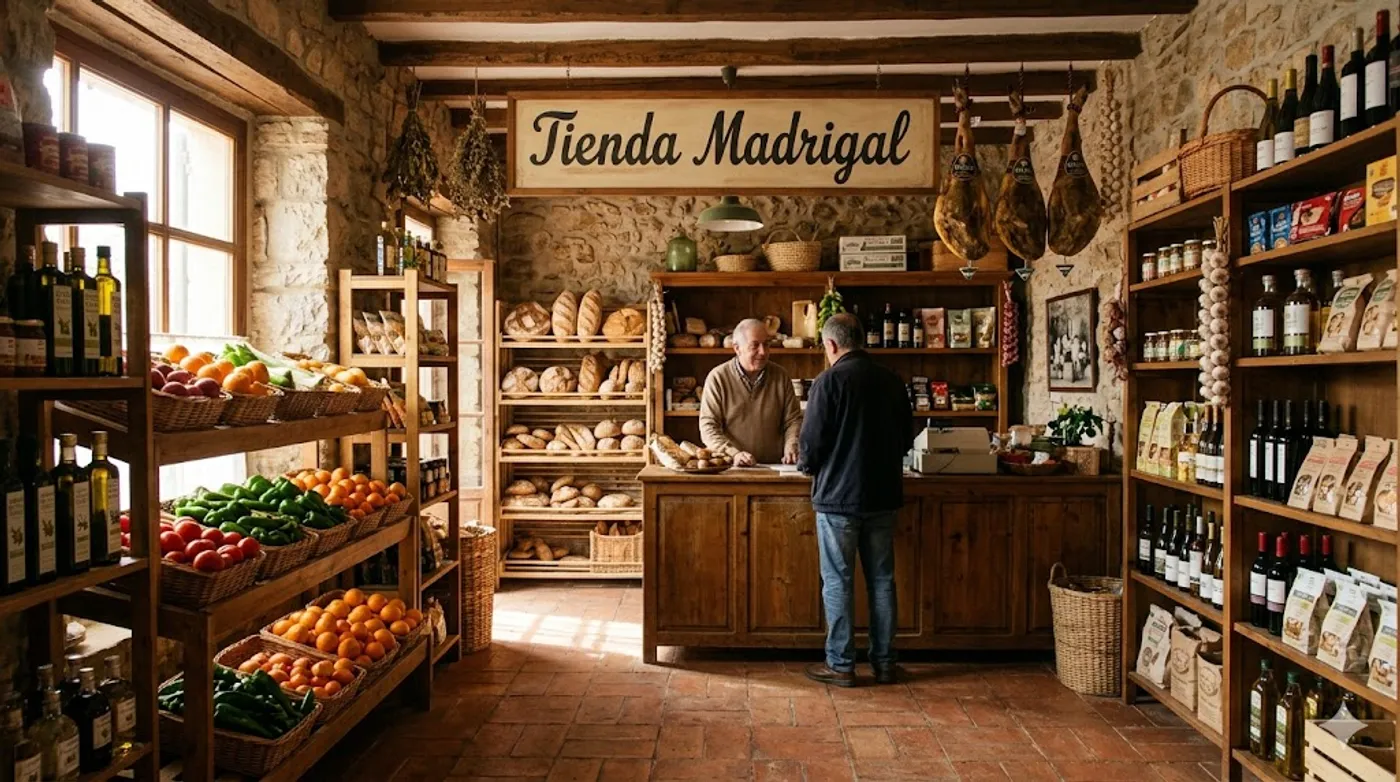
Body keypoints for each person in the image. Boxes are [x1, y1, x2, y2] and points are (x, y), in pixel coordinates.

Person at [798, 313, 913, 687]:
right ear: (862, 339)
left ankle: (841, 664)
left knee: (837, 580)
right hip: (883, 495)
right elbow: (906, 437)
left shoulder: (828, 381)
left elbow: (811, 443)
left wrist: (806, 466)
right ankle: (885, 663)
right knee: (882, 580)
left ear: (831, 345)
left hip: (837, 499)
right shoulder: (891, 380)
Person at [698, 318, 803, 466]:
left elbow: (793, 420)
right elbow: (708, 427)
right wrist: (733, 453)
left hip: (775, 467)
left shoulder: (780, 376)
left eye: (766, 344)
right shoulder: (718, 378)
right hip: (733, 467)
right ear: (737, 348)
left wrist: (791, 445)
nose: (763, 352)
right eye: (755, 346)